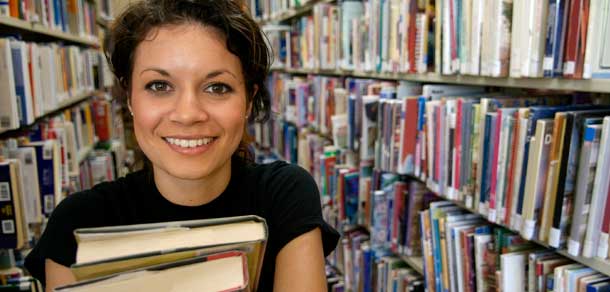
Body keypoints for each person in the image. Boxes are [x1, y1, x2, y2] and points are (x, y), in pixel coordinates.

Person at [24, 1, 340, 291]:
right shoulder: (78, 223)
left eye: (217, 87)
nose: (188, 114)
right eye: (159, 86)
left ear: (248, 100)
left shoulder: (285, 196)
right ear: (130, 97)